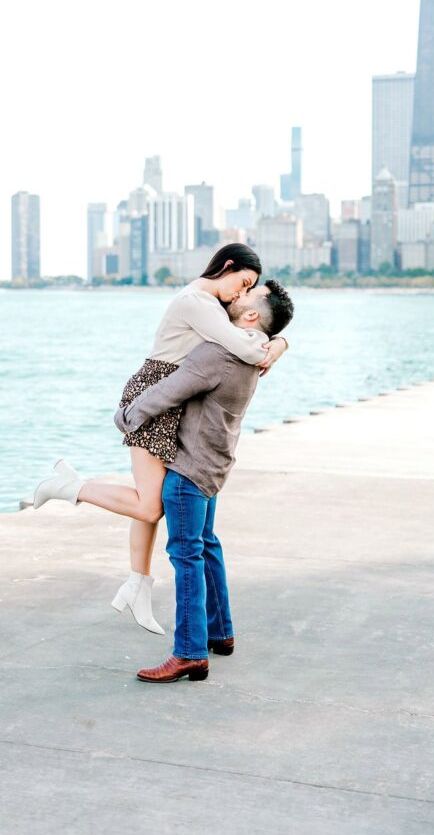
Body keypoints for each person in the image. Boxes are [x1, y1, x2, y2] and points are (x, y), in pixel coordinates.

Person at [33, 244, 289, 633]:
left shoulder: (217, 305)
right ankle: (72, 487)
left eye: (248, 289)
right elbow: (242, 344)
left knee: (149, 500)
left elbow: (250, 326)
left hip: (173, 394)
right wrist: (273, 346)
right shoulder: (195, 301)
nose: (241, 293)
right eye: (243, 283)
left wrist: (281, 341)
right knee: (150, 505)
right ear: (229, 266)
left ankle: (138, 583)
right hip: (156, 392)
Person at [114, 279, 294, 681]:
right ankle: (220, 631)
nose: (233, 296)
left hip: (188, 470)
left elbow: (168, 392)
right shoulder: (255, 353)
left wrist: (126, 415)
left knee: (185, 556)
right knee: (206, 545)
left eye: (245, 294)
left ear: (250, 316)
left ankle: (190, 652)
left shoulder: (219, 353)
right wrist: (283, 344)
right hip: (215, 465)